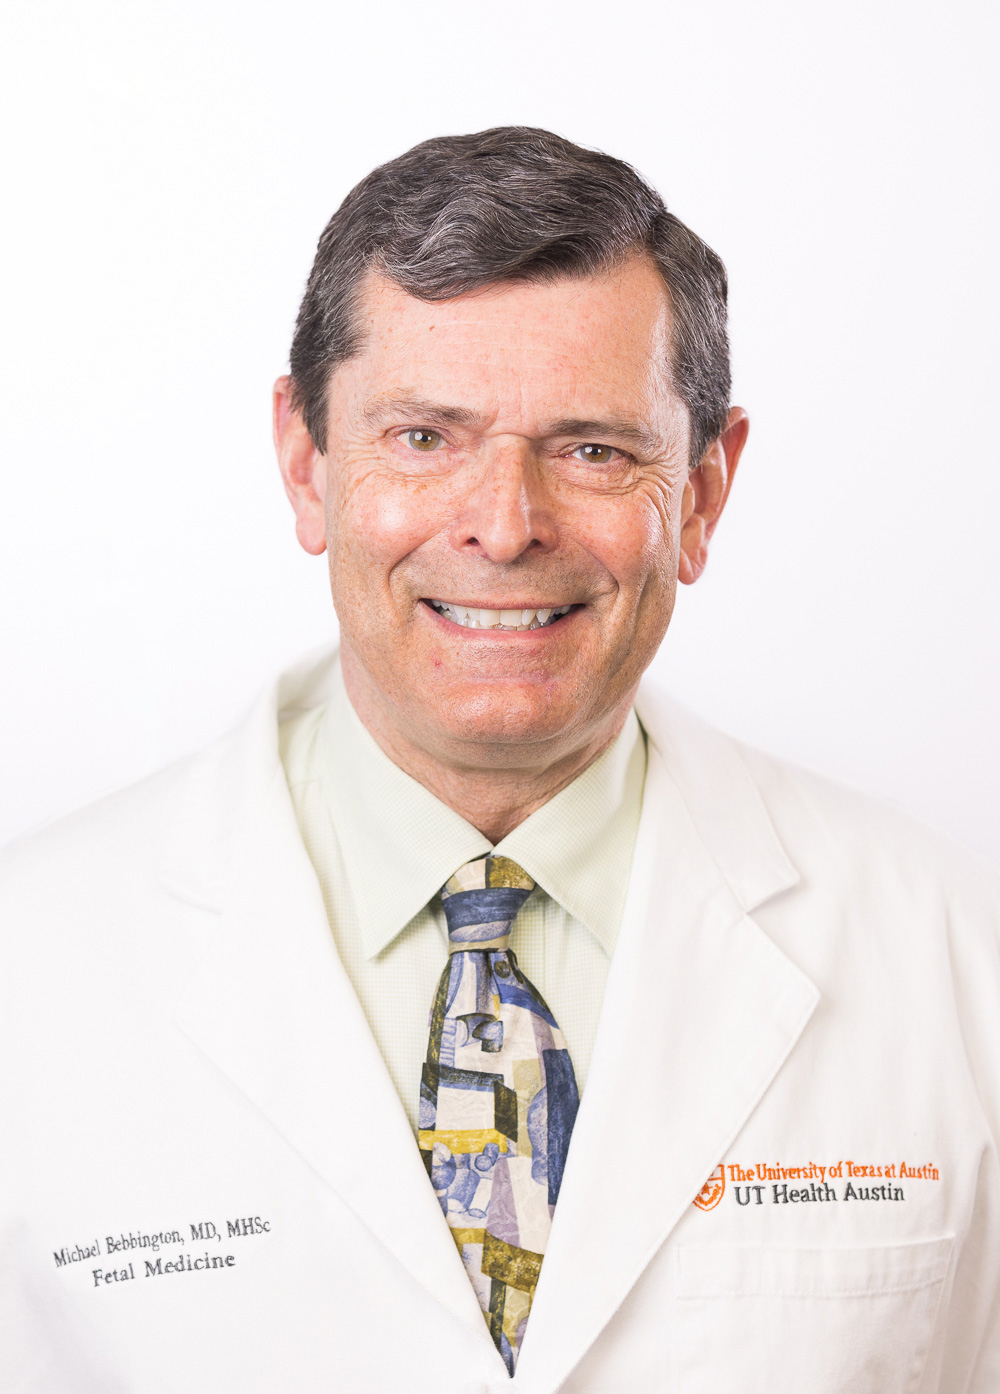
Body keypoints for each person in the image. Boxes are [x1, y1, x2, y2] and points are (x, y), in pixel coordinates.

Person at [1, 126, 998, 1394]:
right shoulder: (25, 971)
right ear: (307, 463)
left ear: (699, 494)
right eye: (423, 437)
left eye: (591, 447)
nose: (504, 524)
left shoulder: (956, 954)